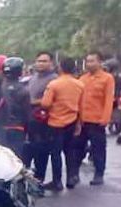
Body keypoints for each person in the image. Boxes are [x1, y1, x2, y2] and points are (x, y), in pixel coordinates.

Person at [40, 57, 84, 191]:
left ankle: (57, 181)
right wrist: (79, 123)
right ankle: (71, 178)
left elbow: (45, 104)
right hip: (72, 121)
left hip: (55, 123)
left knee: (56, 153)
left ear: (60, 68)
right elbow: (81, 106)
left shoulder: (54, 84)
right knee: (70, 151)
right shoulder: (80, 85)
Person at [75, 51, 115, 186]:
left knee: (98, 149)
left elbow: (109, 100)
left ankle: (99, 174)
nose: (89, 64)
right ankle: (74, 174)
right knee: (77, 148)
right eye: (87, 61)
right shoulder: (82, 79)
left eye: (92, 61)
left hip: (97, 121)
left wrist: (105, 119)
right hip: (82, 120)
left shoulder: (107, 78)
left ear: (99, 62)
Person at [27, 51, 59, 178]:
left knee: (42, 150)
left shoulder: (54, 79)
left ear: (51, 63)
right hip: (31, 118)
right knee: (30, 148)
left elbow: (55, 98)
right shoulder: (33, 77)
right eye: (39, 61)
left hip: (44, 119)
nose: (41, 64)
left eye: (44, 61)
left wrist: (35, 101)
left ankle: (40, 177)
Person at [2, 57, 31, 158]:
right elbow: (27, 114)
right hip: (17, 129)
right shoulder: (23, 90)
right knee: (15, 159)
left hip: (0, 129)